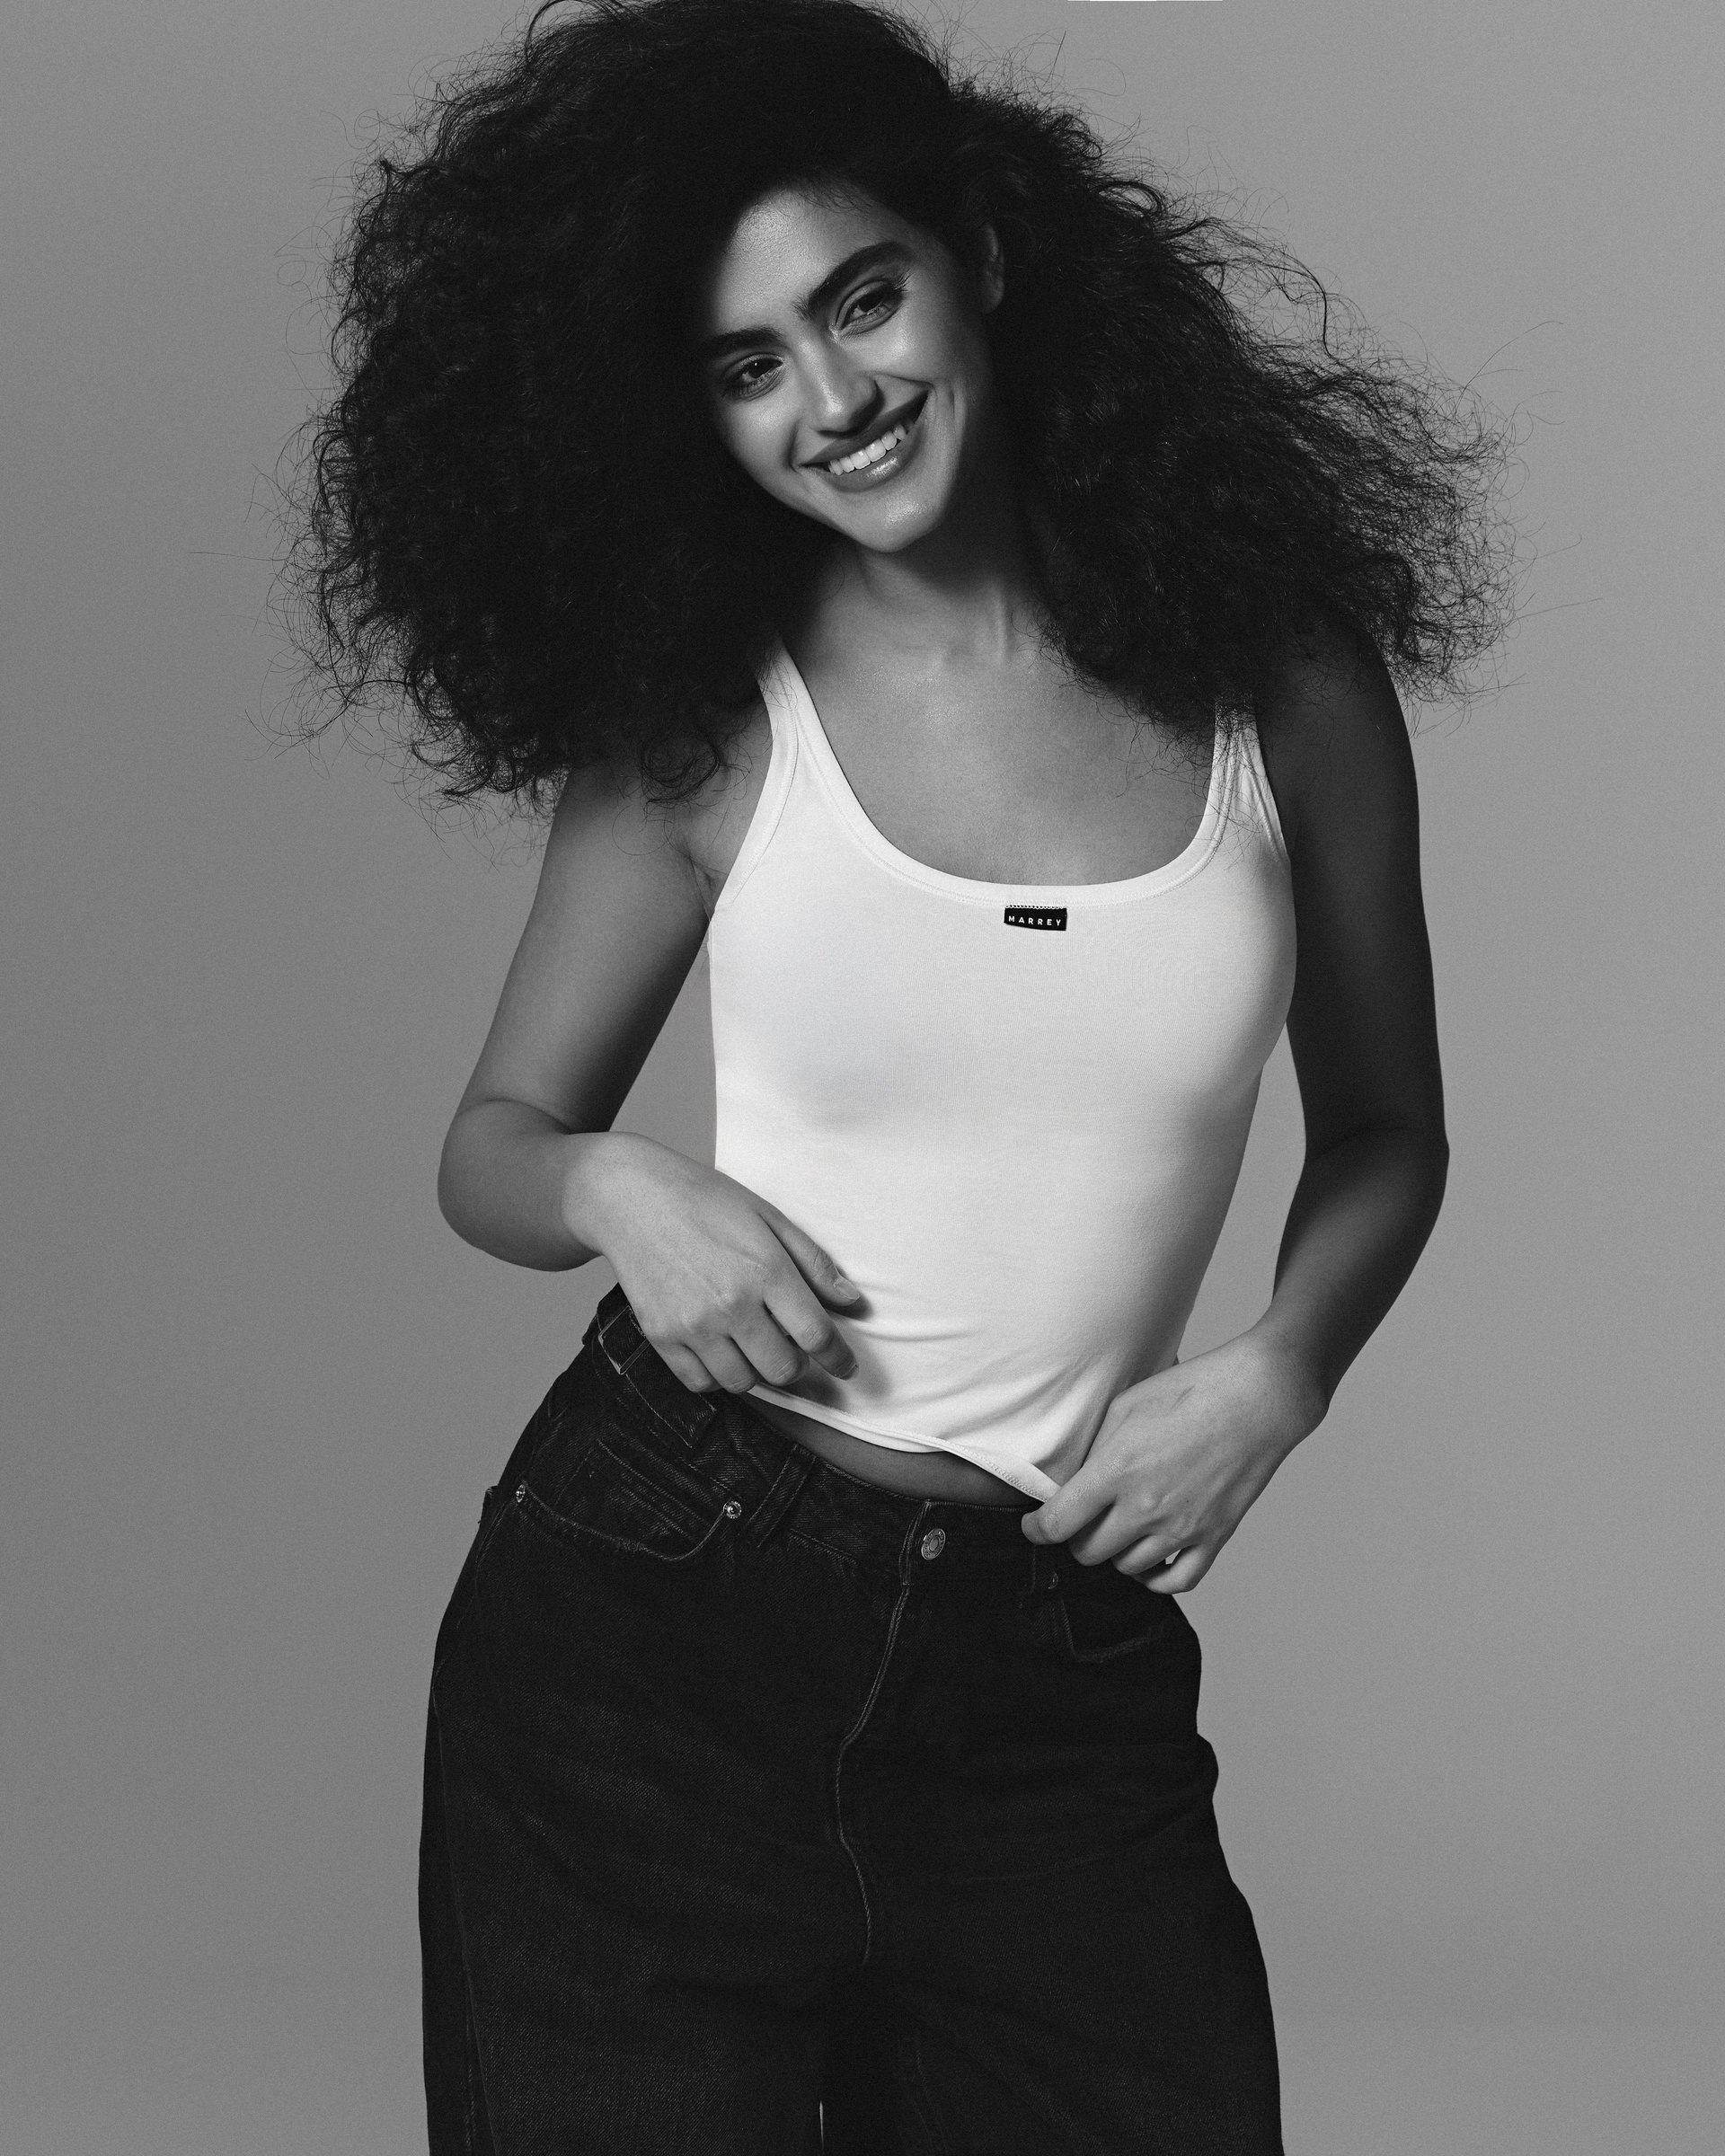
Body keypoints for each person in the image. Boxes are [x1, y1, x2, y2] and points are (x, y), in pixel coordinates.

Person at [284, 1, 1513, 2147]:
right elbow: (494, 1146)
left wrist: (1280, 1374)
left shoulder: (1279, 683)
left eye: (862, 302)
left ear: (985, 260)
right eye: (747, 365)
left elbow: (1390, 1131)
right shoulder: (707, 717)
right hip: (652, 1635)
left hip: (1056, 1674)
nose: (833, 399)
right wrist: (624, 1191)